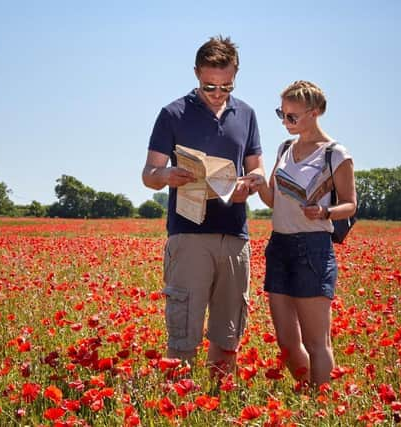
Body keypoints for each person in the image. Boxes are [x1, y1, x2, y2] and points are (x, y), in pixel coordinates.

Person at [141, 35, 264, 374]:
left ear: (235, 74)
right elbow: (148, 174)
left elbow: (257, 170)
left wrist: (249, 184)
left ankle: (216, 400)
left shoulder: (247, 114)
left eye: (225, 87)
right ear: (196, 73)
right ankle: (177, 404)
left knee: (228, 334)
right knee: (183, 336)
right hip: (189, 234)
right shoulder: (173, 113)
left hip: (234, 235)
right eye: (210, 86)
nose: (217, 94)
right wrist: (167, 175)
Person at [243, 80, 356, 387]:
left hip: (312, 247)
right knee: (287, 342)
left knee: (317, 342)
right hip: (279, 245)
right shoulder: (285, 149)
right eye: (282, 114)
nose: (285, 122)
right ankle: (307, 396)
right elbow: (272, 200)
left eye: (292, 116)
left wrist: (325, 212)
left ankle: (319, 405)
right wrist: (257, 185)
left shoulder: (335, 154)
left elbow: (350, 204)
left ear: (315, 112)